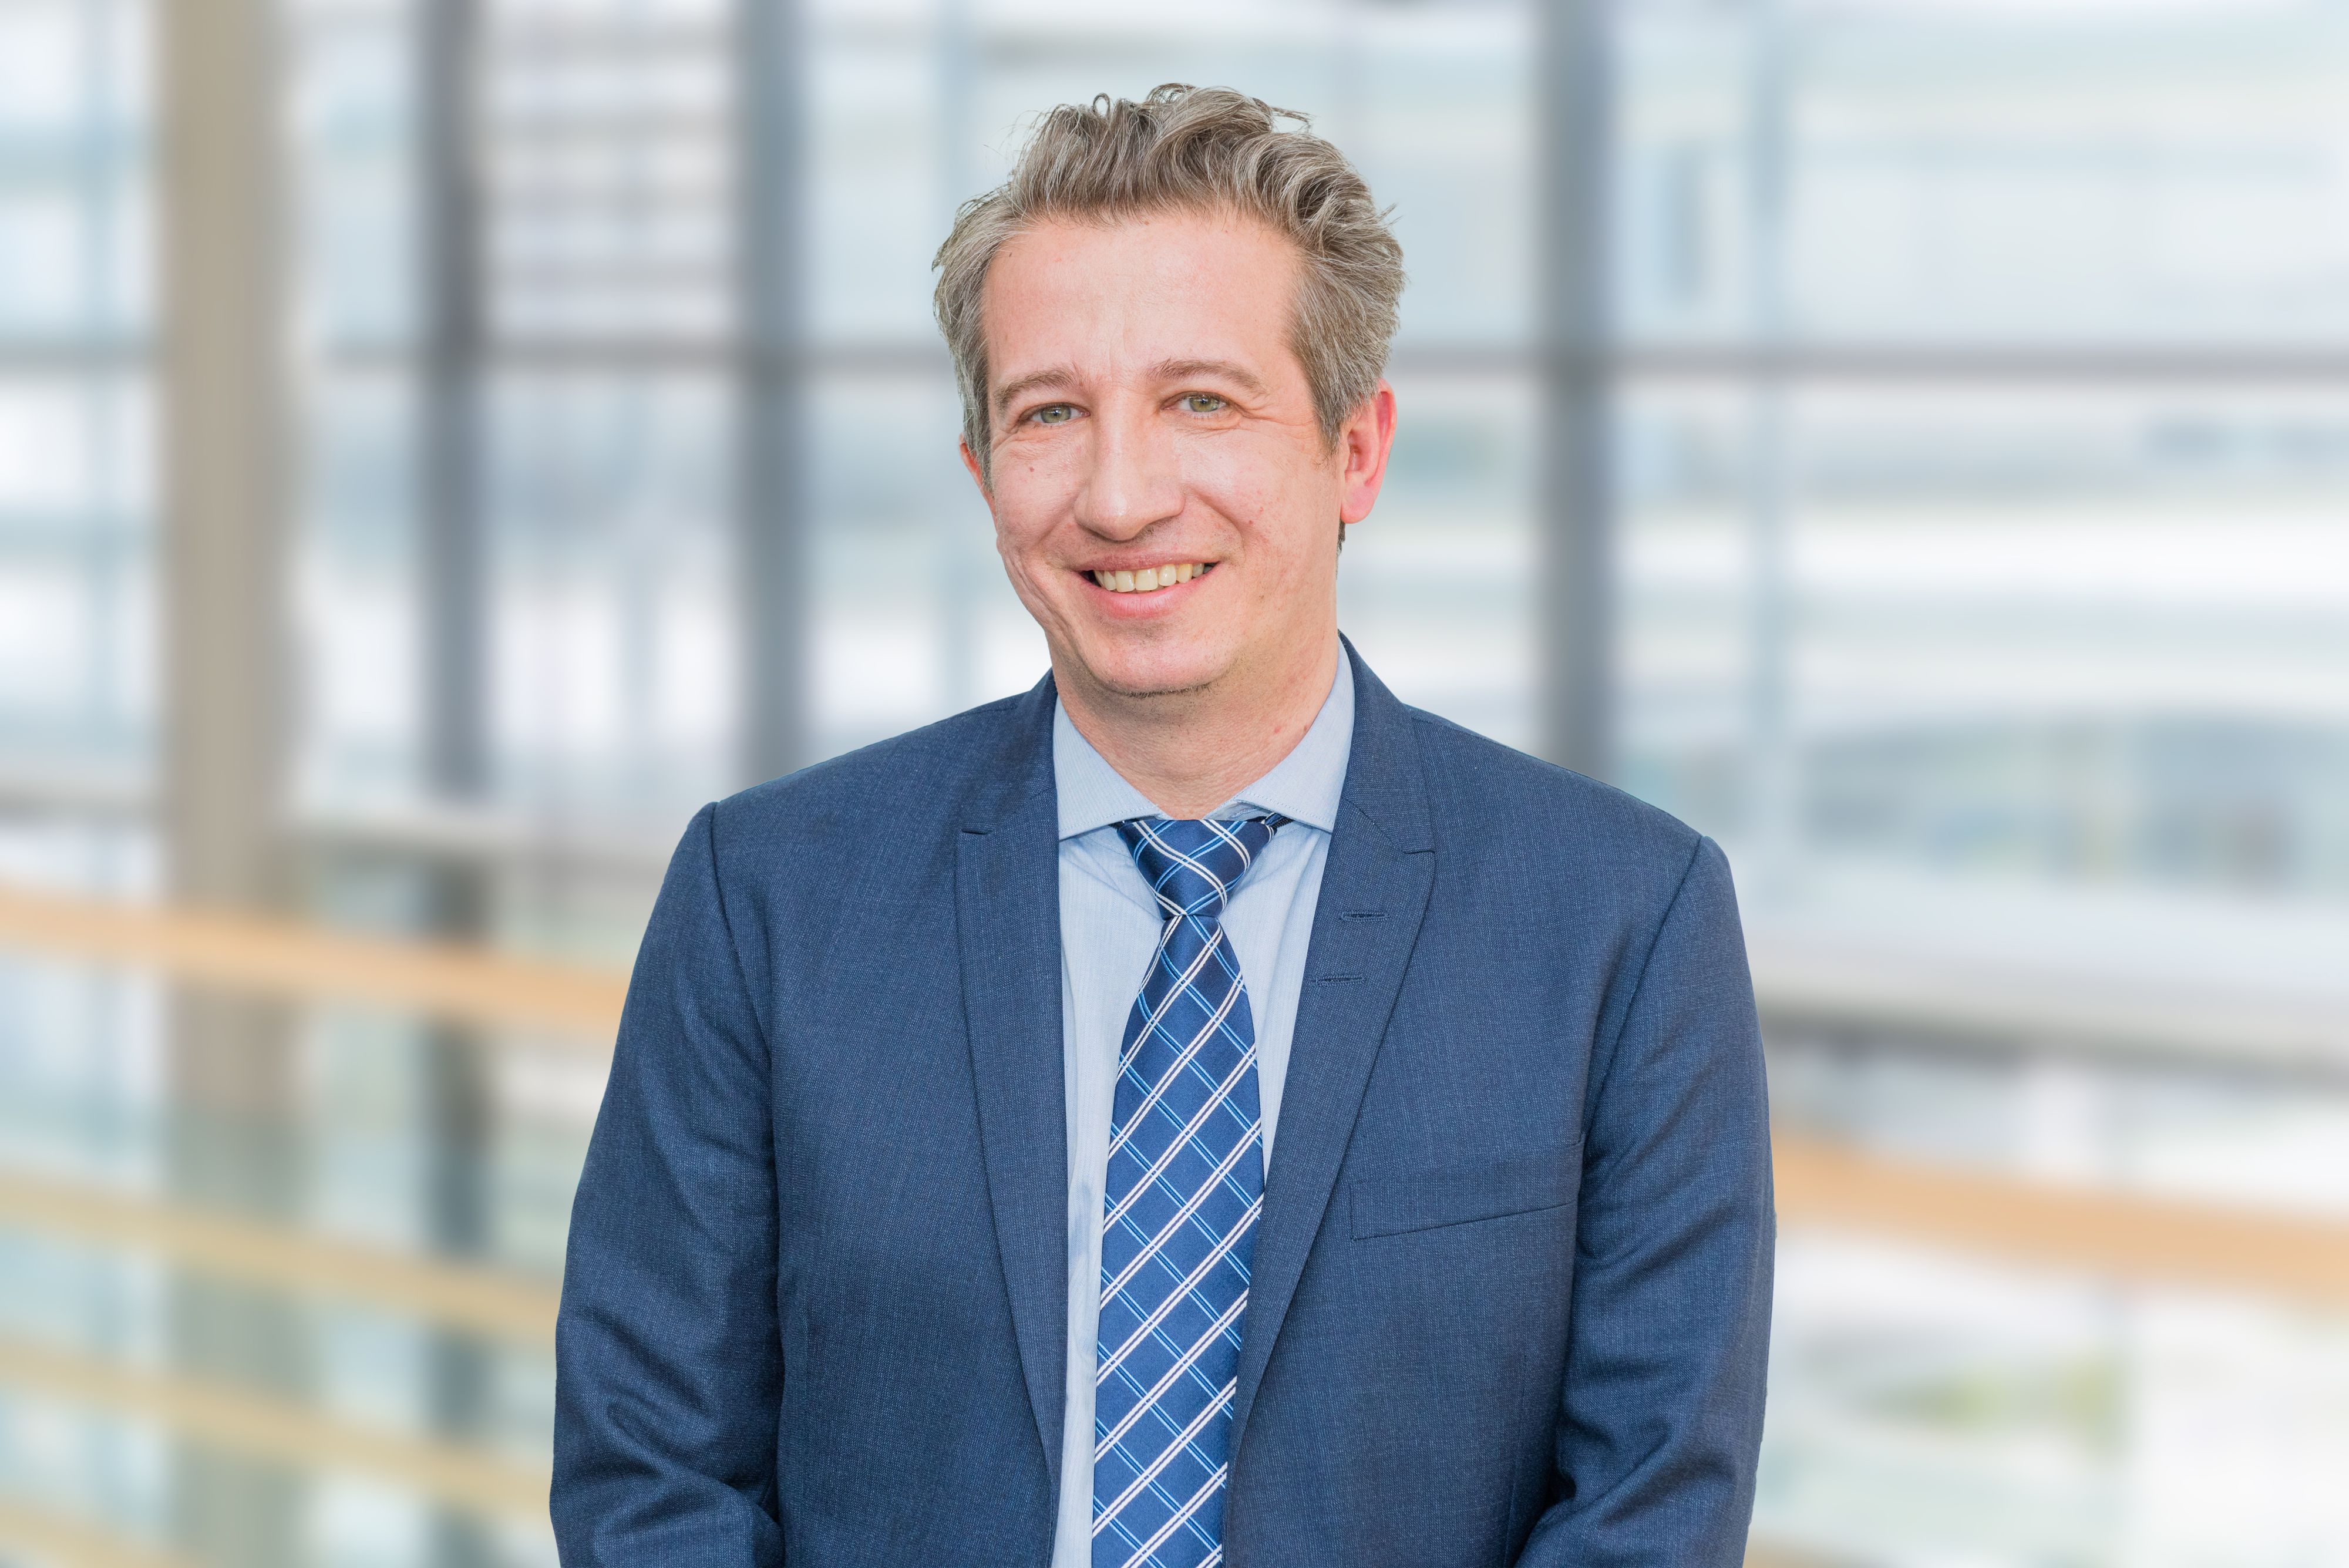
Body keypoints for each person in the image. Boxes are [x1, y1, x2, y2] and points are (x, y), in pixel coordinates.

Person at [551, 85, 1772, 1568]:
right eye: (1049, 414)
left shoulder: (1622, 921)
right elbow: (649, 1471)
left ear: (1355, 450)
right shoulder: (766, 900)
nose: (1122, 496)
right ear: (981, 474)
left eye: (1201, 401)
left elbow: (1650, 1510)